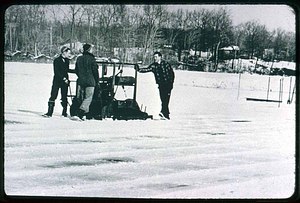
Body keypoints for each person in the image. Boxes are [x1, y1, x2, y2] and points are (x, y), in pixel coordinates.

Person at [136, 51, 175, 120]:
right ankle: (165, 114)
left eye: (156, 57)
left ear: (160, 57)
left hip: (168, 84)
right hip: (161, 85)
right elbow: (147, 69)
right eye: (154, 57)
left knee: (166, 99)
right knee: (163, 99)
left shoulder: (166, 64)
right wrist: (138, 69)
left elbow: (172, 74)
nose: (155, 58)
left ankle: (164, 113)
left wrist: (171, 83)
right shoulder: (154, 65)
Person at [43, 46, 72, 117]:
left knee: (64, 96)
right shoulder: (57, 60)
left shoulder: (67, 60)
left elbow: (66, 70)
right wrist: (64, 78)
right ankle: (49, 113)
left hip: (65, 81)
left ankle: (64, 113)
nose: (69, 55)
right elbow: (57, 72)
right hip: (57, 81)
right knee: (53, 95)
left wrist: (76, 71)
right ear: (64, 52)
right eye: (68, 53)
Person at [74, 43, 99, 120]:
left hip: (81, 81)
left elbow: (76, 70)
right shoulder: (92, 59)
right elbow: (95, 71)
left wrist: (81, 76)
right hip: (90, 81)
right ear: (89, 50)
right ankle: (81, 110)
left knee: (81, 97)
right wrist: (97, 81)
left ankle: (85, 114)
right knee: (88, 97)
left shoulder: (79, 59)